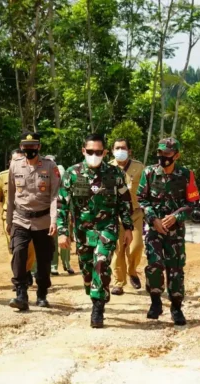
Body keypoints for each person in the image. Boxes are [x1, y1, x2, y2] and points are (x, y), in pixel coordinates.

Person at [58, 134, 133, 328]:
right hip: (82, 231)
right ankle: (96, 289)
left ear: (105, 152)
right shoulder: (72, 173)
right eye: (90, 151)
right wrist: (62, 231)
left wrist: (128, 228)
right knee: (87, 270)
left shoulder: (115, 174)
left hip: (107, 228)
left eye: (98, 152)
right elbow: (62, 205)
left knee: (101, 261)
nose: (94, 155)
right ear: (83, 151)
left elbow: (125, 202)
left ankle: (97, 308)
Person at [137, 137, 200, 326]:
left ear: (176, 155)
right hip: (154, 229)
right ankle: (155, 302)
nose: (162, 157)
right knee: (154, 266)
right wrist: (153, 219)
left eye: (167, 153)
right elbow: (141, 198)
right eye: (160, 153)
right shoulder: (149, 173)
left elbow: (193, 202)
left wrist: (176, 217)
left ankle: (176, 307)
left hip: (175, 232)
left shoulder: (186, 175)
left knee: (175, 269)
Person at [7, 132, 60, 311]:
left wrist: (54, 220)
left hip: (43, 220)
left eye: (33, 146)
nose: (29, 150)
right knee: (19, 254)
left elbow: (54, 196)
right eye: (26, 147)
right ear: (21, 147)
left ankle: (42, 293)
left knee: (44, 259)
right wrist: (9, 221)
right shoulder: (15, 166)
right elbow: (11, 195)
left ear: (39, 147)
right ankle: (21, 293)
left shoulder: (50, 166)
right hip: (20, 219)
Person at [0, 149, 37, 291]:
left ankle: (26, 270)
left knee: (30, 249)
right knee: (16, 249)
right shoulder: (3, 176)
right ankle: (20, 276)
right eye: (14, 160)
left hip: (30, 217)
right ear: (10, 162)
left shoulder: (34, 173)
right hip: (10, 218)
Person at [109, 138, 145, 295]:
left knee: (136, 247)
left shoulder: (139, 167)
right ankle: (118, 282)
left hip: (135, 213)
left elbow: (146, 189)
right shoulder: (107, 168)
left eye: (123, 148)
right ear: (112, 151)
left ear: (129, 151)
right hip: (115, 215)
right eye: (117, 148)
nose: (120, 151)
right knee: (118, 250)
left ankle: (132, 271)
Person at [44, 155, 75, 276]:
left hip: (62, 209)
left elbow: (69, 194)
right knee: (53, 240)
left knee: (65, 236)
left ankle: (67, 264)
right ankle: (53, 266)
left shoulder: (61, 171)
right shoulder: (42, 173)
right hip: (48, 211)